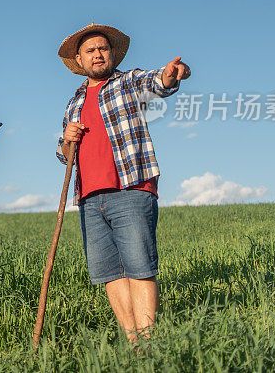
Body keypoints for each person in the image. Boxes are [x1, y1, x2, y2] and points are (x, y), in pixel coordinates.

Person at [55, 22, 190, 344]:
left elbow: (160, 82)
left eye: (103, 48)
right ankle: (135, 344)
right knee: (109, 273)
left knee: (139, 267)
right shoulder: (73, 101)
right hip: (88, 196)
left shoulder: (128, 82)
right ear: (79, 59)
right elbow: (64, 155)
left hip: (130, 188)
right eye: (91, 51)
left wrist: (173, 74)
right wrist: (66, 142)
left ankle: (149, 342)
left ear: (112, 53)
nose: (98, 54)